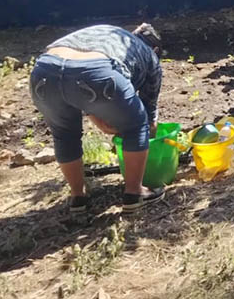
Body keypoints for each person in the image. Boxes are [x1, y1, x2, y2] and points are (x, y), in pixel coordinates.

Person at [29, 23, 165, 213]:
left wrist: (97, 116)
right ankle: (135, 193)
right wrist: (144, 141)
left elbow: (72, 79)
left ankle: (78, 197)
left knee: (64, 135)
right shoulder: (150, 55)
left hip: (44, 71)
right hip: (96, 73)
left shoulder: (109, 32)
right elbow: (149, 119)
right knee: (136, 126)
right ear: (156, 49)